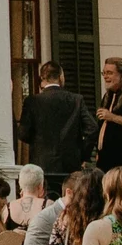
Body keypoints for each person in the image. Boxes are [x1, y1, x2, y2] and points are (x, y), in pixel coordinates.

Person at [17, 61, 91, 189]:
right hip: (70, 166)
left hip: (42, 165)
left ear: (42, 78)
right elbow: (92, 129)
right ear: (61, 77)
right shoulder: (76, 100)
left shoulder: (32, 101)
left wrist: (38, 142)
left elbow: (23, 133)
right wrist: (82, 154)